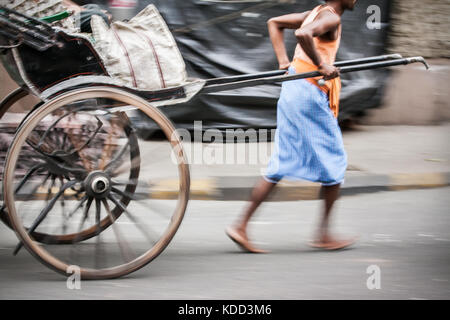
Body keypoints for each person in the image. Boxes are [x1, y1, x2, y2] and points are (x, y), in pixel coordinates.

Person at [226, 0, 358, 253]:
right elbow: (301, 33)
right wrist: (322, 65)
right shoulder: (331, 18)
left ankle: (241, 226)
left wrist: (283, 62)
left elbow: (274, 23)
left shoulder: (314, 13)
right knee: (335, 159)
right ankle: (323, 234)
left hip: (294, 88)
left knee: (283, 160)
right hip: (309, 93)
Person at [4, 0, 110, 33]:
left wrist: (78, 9)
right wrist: (73, 10)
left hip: (40, 20)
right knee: (99, 17)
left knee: (93, 7)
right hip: (48, 26)